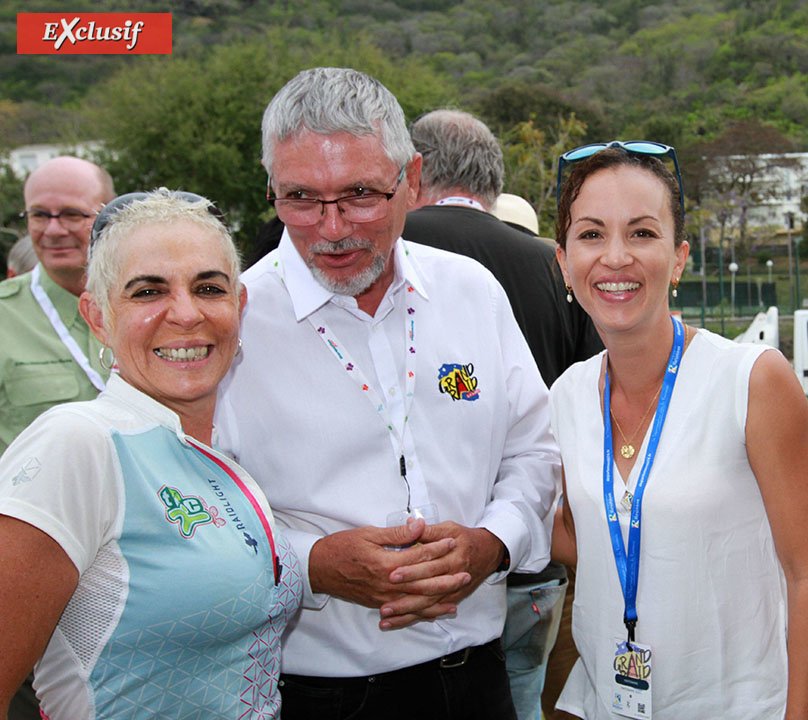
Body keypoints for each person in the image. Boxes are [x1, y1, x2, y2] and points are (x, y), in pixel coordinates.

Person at [214, 68, 558, 720]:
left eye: (361, 194)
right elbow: (202, 520)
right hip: (325, 697)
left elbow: (534, 451)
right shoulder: (235, 324)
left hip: (482, 678)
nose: (332, 227)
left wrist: (494, 541)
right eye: (300, 198)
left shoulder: (471, 292)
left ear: (414, 182)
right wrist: (312, 564)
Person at [549, 142, 808, 719]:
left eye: (642, 233)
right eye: (590, 234)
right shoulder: (565, 396)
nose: (614, 257)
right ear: (563, 262)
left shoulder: (751, 380)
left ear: (679, 258)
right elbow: (580, 533)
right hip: (607, 704)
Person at [0, 188, 302, 718]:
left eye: (209, 287)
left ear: (239, 305)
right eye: (147, 292)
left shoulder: (219, 448)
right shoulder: (77, 444)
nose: (185, 314)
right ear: (97, 317)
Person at [403, 108, 603, 720]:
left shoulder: (369, 247)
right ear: (492, 180)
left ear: (413, 172)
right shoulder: (552, 264)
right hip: (529, 550)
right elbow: (595, 400)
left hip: (393, 574)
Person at [1, 157, 115, 455]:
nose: (53, 230)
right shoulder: (5, 316)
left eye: (71, 214)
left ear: (110, 214)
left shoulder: (156, 305)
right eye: (39, 215)